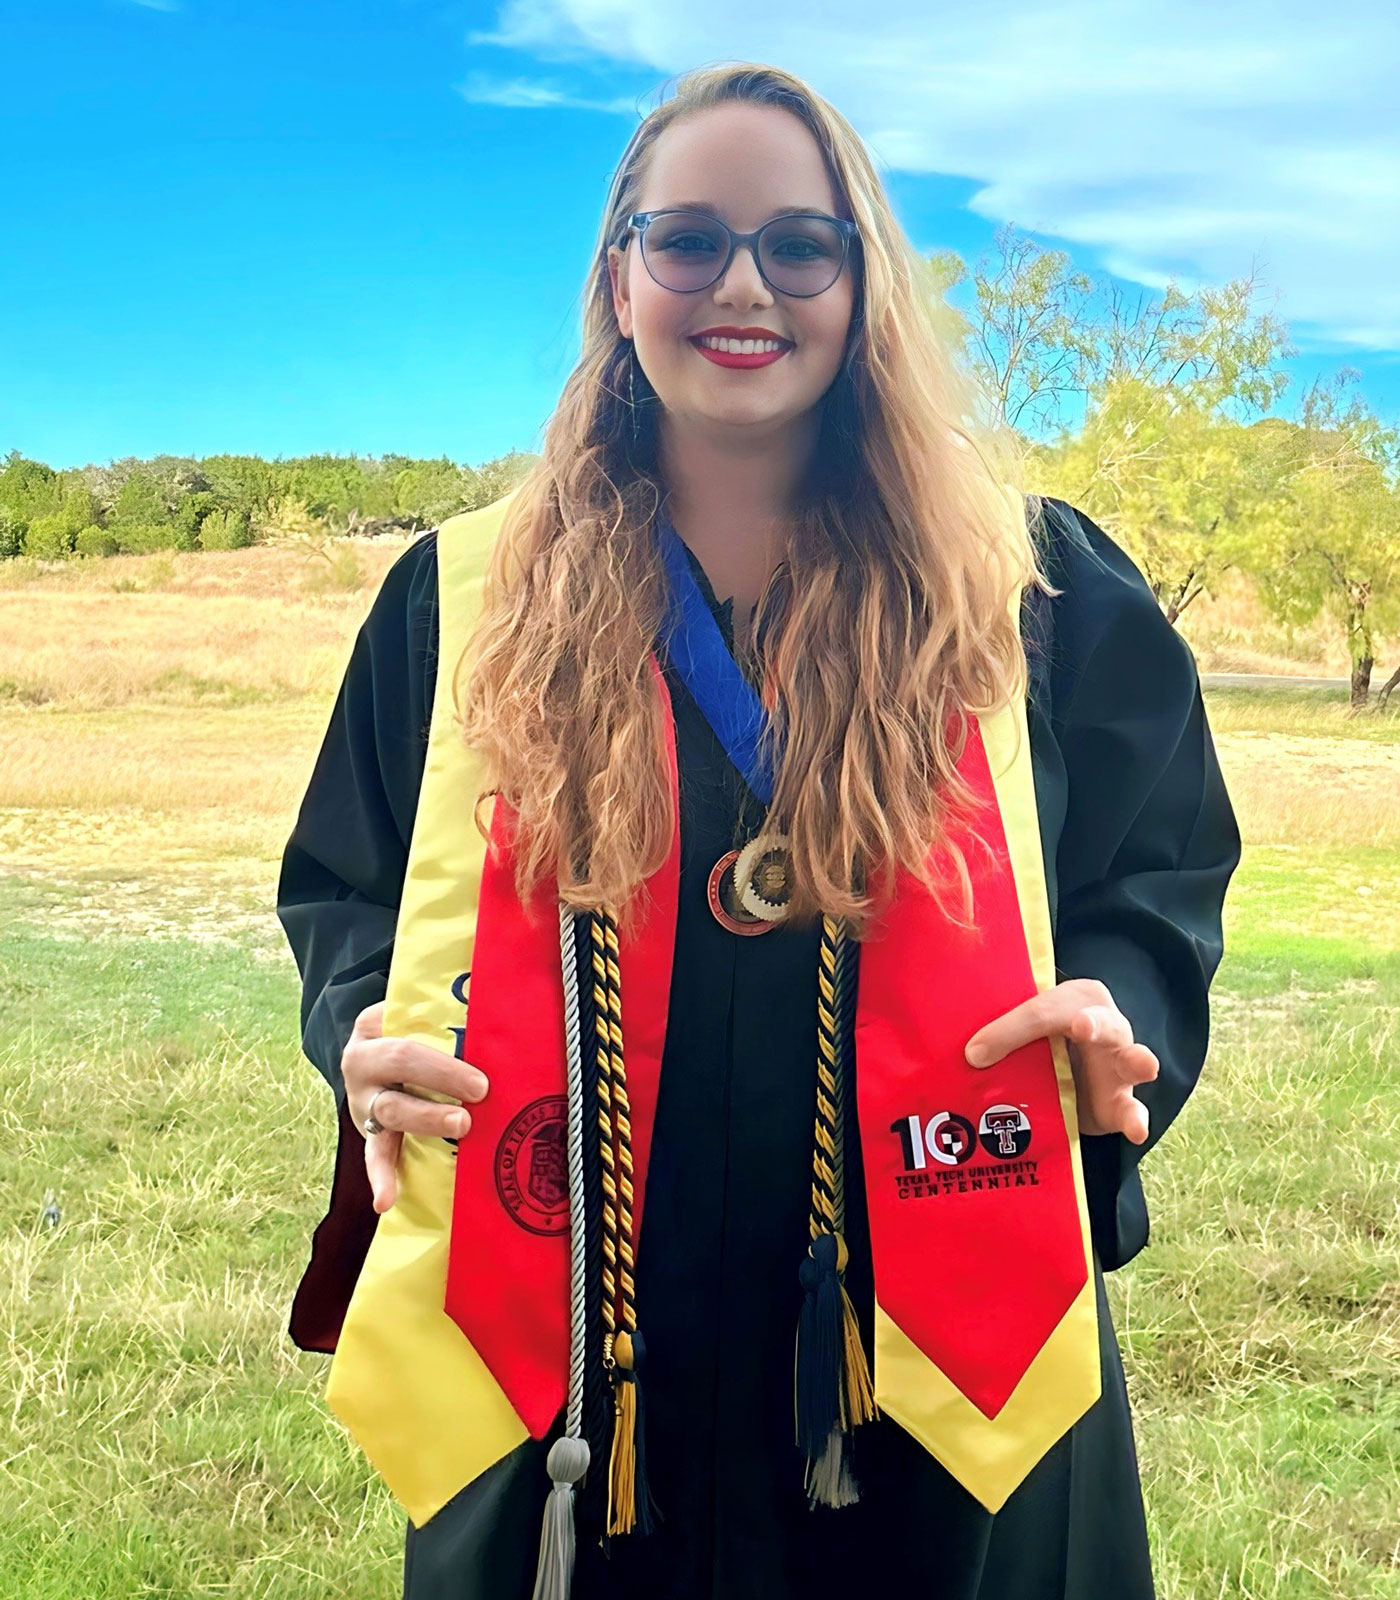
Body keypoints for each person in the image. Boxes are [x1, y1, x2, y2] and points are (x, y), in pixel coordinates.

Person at [276, 61, 1241, 1600]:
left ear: (862, 282)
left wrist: (1126, 1022)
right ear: (620, 274)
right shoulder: (461, 601)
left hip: (930, 1325)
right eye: (690, 240)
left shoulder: (1033, 594)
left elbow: (1158, 875)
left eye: (801, 243)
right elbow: (346, 892)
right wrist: (358, 1033)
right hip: (583, 1325)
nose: (745, 284)